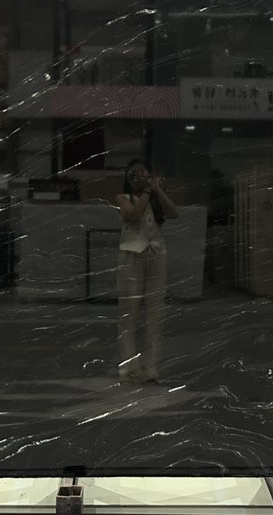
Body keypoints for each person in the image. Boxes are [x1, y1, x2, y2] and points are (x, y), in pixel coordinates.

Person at [115, 159, 178, 385]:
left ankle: (151, 368)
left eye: (143, 174)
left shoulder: (155, 199)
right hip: (132, 256)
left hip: (156, 255)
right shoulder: (123, 198)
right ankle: (128, 368)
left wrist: (157, 189)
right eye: (134, 174)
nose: (139, 178)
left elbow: (174, 212)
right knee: (129, 314)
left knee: (155, 315)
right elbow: (133, 215)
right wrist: (147, 192)